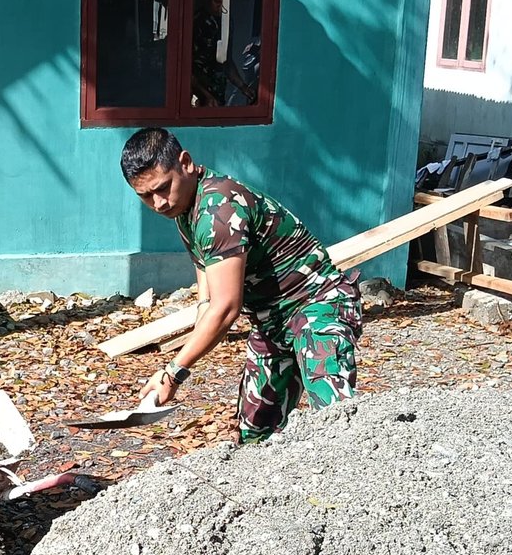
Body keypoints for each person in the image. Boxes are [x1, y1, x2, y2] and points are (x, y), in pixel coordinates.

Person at [121, 127, 363, 443]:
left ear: (186, 163)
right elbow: (207, 285)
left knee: (334, 419)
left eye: (163, 188)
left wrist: (173, 373)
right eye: (145, 196)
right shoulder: (185, 207)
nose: (158, 203)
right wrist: (200, 323)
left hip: (317, 303)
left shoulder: (219, 209)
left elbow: (226, 307)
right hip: (270, 321)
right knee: (255, 432)